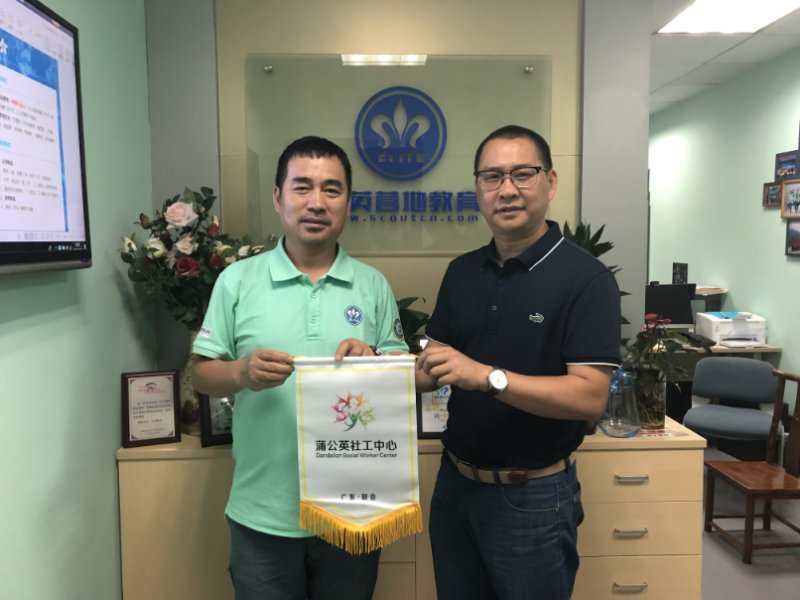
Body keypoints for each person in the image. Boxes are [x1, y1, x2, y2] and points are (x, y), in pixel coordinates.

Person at [192, 135, 408, 600]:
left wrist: (373, 360)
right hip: (262, 512)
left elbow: (403, 375)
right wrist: (242, 373)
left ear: (348, 201)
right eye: (302, 187)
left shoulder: (372, 285)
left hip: (351, 508)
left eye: (332, 189)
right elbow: (201, 373)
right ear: (278, 197)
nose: (316, 202)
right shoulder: (237, 281)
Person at [415, 125, 621, 600]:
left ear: (550, 183)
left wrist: (488, 378)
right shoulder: (462, 272)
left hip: (532, 498)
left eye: (522, 174)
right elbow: (433, 365)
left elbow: (590, 397)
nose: (506, 189)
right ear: (478, 189)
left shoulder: (586, 279)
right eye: (491, 177)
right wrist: (376, 364)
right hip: (455, 487)